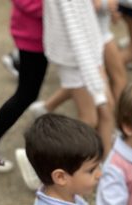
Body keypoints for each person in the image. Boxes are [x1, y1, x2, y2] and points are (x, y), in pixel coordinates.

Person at [0, 0, 46, 172]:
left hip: (36, 33)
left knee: (28, 93)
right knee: (27, 93)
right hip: (32, 35)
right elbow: (29, 4)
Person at [43, 0, 115, 156]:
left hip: (88, 55)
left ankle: (106, 163)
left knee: (106, 111)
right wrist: (96, 85)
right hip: (78, 60)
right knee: (89, 119)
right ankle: (50, 157)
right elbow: (75, 34)